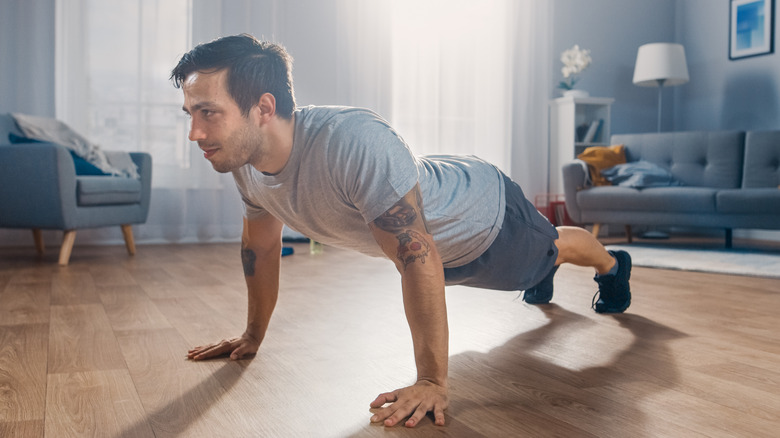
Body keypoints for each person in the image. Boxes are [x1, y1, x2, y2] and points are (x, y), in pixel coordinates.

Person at [170, 33, 632, 429]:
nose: (195, 132)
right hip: (440, 252)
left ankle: (613, 267)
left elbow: (416, 255)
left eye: (208, 112)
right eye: (191, 112)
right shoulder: (245, 162)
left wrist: (432, 382)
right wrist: (252, 335)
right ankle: (540, 274)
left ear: (263, 107)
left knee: (553, 248)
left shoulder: (350, 141)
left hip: (485, 218)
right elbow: (261, 248)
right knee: (533, 269)